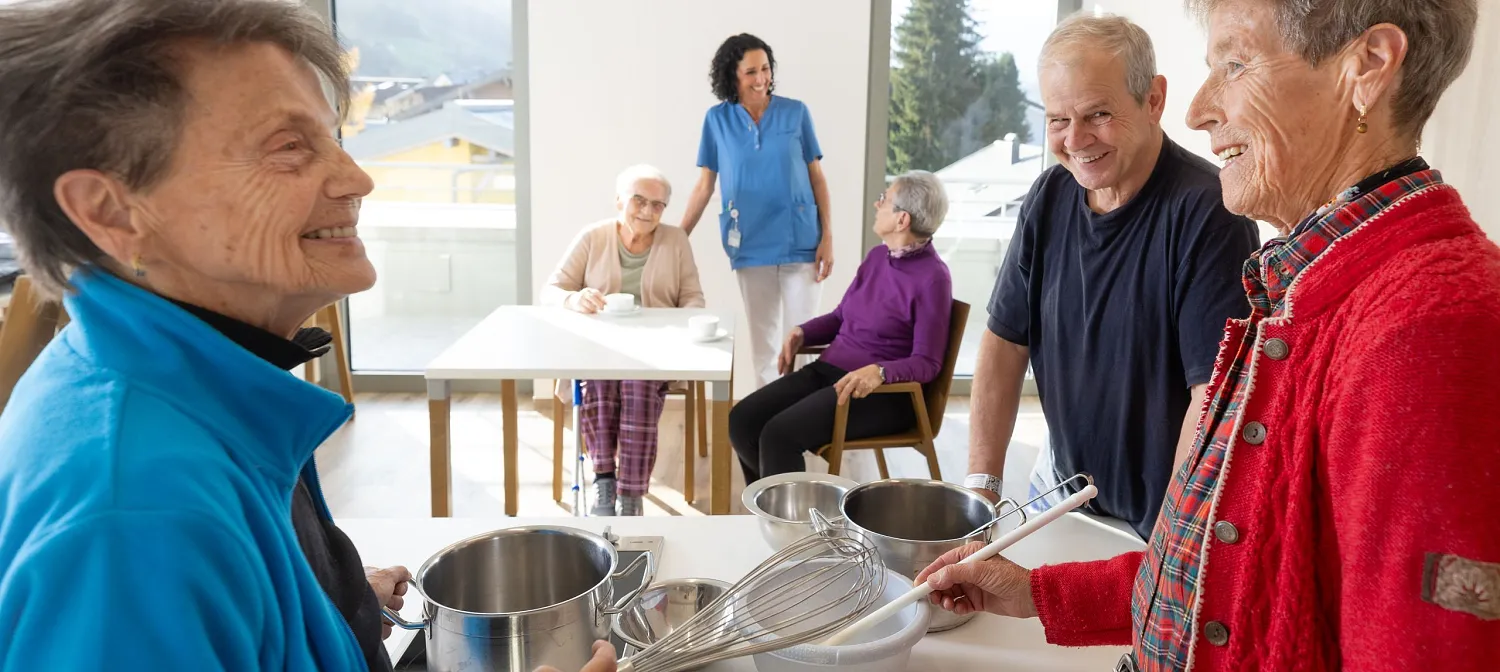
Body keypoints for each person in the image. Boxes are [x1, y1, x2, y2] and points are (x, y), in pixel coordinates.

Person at [0, 2, 622, 670]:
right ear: (112, 211)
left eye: (331, 136)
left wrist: (324, 606)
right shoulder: (131, 524)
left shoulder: (203, 387)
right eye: (289, 146)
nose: (357, 178)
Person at [918, 1, 1500, 670]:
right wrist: (1038, 594)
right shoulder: (1309, 285)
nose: (1198, 111)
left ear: (1366, 67)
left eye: (1236, 63)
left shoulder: (1434, 327)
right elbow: (1241, 576)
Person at [964, 14, 1259, 539]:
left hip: (1157, 522)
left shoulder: (1209, 211)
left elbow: (1212, 399)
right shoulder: (1049, 196)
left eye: (1098, 114)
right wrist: (980, 492)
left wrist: (1170, 541)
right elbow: (1005, 342)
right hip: (1058, 491)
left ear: (1153, 100)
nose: (1076, 139)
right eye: (1058, 120)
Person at [729, 171, 952, 483]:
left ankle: (790, 513)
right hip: (830, 372)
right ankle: (772, 505)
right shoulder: (877, 257)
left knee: (779, 435)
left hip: (882, 394)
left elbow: (927, 363)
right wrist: (802, 332)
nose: (877, 205)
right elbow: (841, 317)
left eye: (885, 200)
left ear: (902, 220)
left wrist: (880, 371)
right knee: (743, 420)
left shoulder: (933, 278)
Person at [543, 165, 705, 516]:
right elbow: (552, 289)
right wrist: (575, 298)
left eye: (657, 205)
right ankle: (604, 480)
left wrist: (681, 329)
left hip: (653, 351)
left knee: (637, 384)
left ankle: (630, 495)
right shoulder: (593, 236)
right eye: (639, 200)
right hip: (598, 348)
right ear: (619, 200)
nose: (647, 211)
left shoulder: (675, 240)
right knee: (600, 381)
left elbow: (693, 298)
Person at [679, 33, 834, 391]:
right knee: (763, 347)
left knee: (801, 344)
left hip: (801, 242)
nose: (761, 78)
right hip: (749, 243)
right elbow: (705, 186)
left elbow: (817, 178)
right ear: (732, 75)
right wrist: (678, 236)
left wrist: (827, 236)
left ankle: (803, 418)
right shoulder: (717, 121)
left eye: (765, 68)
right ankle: (766, 419)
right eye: (751, 71)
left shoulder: (796, 113)